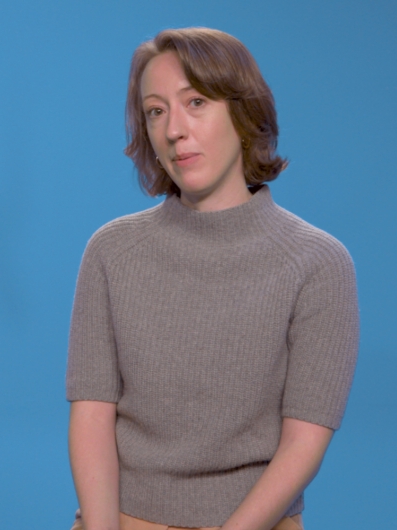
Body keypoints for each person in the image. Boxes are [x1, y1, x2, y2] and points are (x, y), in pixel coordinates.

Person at [66, 27, 358, 530]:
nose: (174, 129)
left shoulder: (318, 263)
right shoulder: (111, 252)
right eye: (156, 111)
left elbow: (304, 439)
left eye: (195, 102)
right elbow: (91, 415)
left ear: (241, 113)